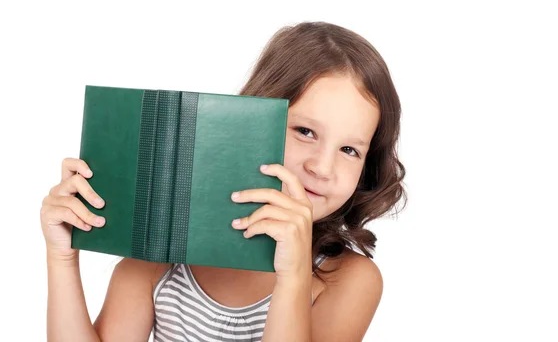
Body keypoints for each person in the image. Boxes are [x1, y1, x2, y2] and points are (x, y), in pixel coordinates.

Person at [40, 21, 407, 342]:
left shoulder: (349, 281)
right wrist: (61, 257)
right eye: (305, 131)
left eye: (349, 150)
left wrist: (293, 276)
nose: (323, 167)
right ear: (251, 120)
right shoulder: (161, 259)